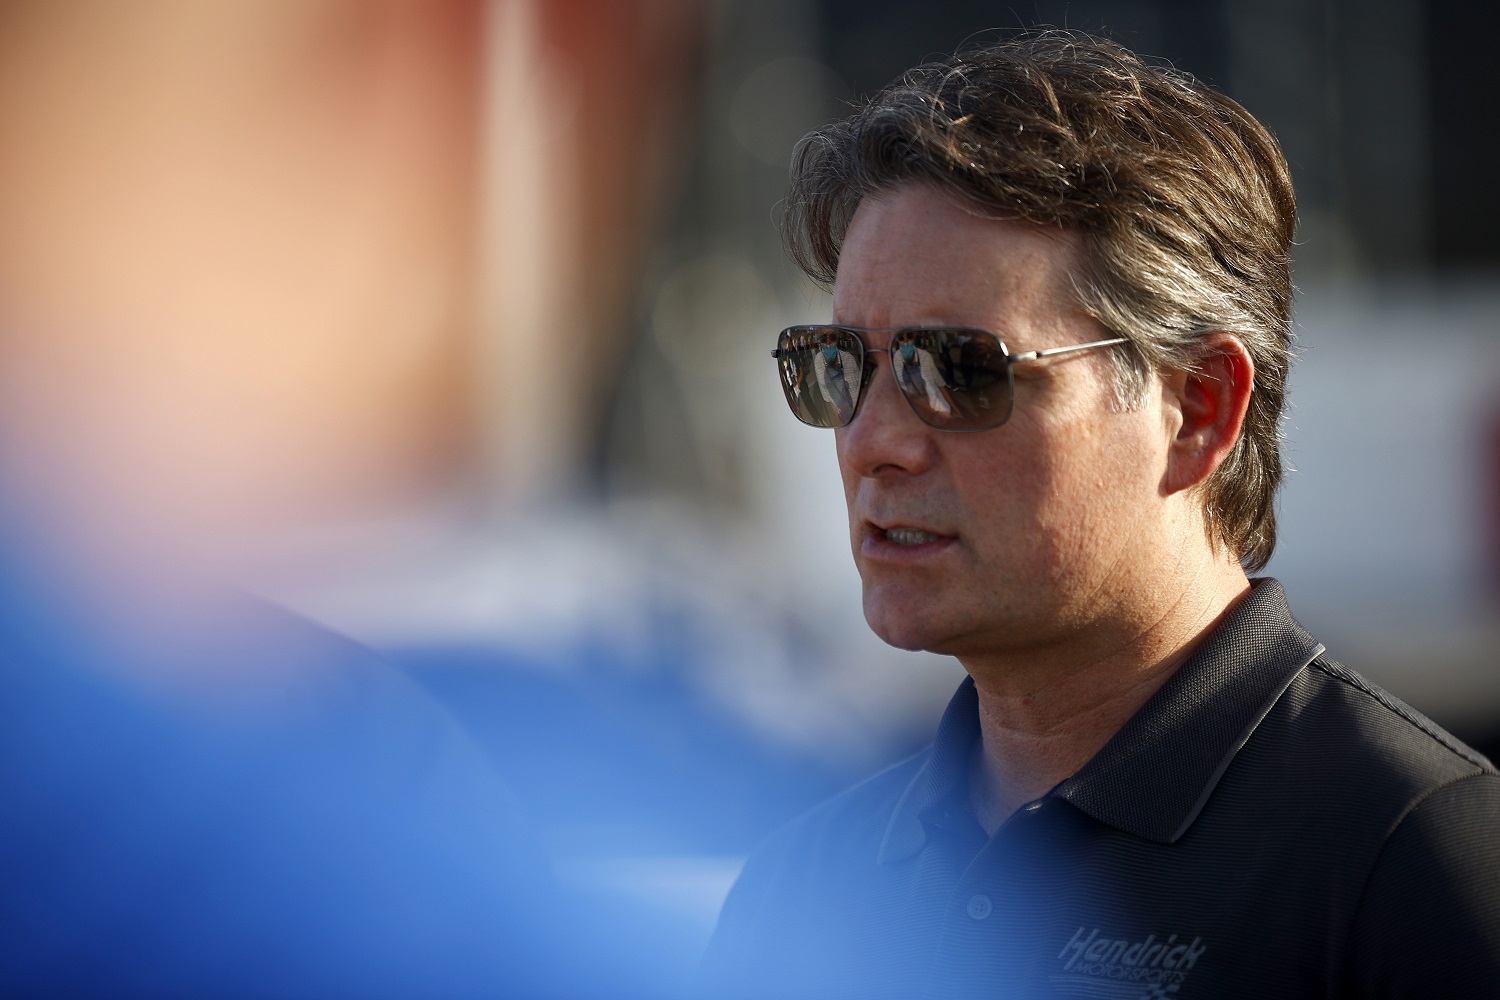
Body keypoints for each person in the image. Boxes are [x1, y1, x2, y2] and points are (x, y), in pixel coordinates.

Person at [701, 31, 1500, 998]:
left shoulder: (1415, 855)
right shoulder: (801, 887)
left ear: (1198, 408)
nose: (875, 440)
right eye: (837, 365)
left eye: (956, 370)